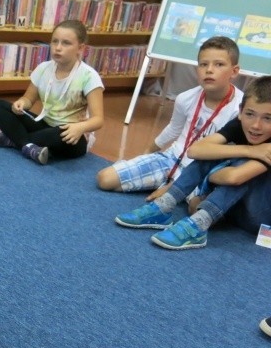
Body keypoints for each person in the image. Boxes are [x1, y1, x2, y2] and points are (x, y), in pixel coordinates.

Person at [114, 76, 271, 250]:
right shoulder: (242, 124)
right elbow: (195, 150)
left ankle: (199, 225)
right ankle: (164, 206)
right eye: (250, 114)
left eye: (268, 118)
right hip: (235, 210)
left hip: (261, 219)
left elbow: (235, 178)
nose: (256, 125)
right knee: (211, 156)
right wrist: (249, 150)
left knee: (240, 167)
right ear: (241, 111)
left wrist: (212, 175)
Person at [97, 37, 242, 192]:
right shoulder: (185, 98)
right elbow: (173, 129)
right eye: (203, 64)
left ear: (234, 71)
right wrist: (146, 154)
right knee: (105, 179)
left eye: (219, 64)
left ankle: (168, 188)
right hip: (172, 159)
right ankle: (165, 186)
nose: (209, 70)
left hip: (202, 172)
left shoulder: (240, 109)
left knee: (199, 207)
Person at [0, 19, 105, 165]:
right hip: (44, 124)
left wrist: (80, 127)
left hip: (70, 134)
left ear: (81, 48)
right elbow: (28, 99)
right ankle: (28, 145)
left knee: (58, 134)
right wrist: (21, 104)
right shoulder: (43, 68)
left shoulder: (89, 76)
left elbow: (98, 120)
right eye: (54, 42)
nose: (58, 47)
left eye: (66, 43)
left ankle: (15, 140)